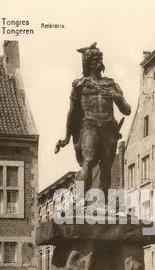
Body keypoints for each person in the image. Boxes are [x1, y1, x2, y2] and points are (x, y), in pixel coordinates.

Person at [56, 43, 131, 197]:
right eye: (93, 59)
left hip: (109, 129)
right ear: (87, 63)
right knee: (88, 162)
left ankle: (104, 205)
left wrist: (117, 97)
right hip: (90, 127)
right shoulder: (80, 85)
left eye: (99, 58)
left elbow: (127, 110)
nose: (98, 61)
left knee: (106, 166)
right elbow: (72, 112)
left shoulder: (112, 85)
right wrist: (67, 138)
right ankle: (81, 202)